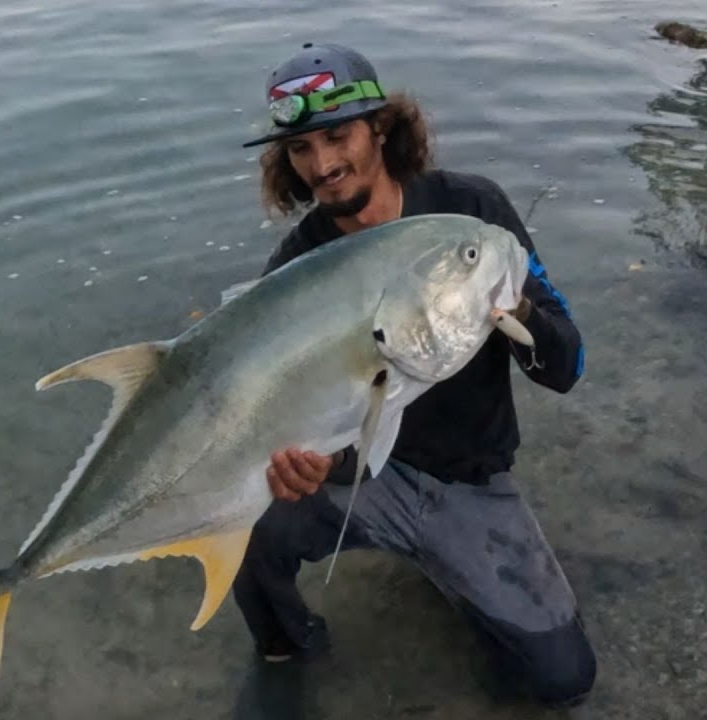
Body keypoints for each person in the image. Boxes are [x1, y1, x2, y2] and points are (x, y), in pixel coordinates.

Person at [230, 42, 595, 707]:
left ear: (383, 129)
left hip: (467, 483)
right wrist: (299, 465)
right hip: (363, 479)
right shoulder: (294, 269)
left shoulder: (472, 215)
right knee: (247, 516)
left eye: (338, 136)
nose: (324, 165)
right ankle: (288, 650)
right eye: (301, 150)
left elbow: (568, 366)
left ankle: (453, 567)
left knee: (561, 679)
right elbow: (271, 413)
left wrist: (516, 315)